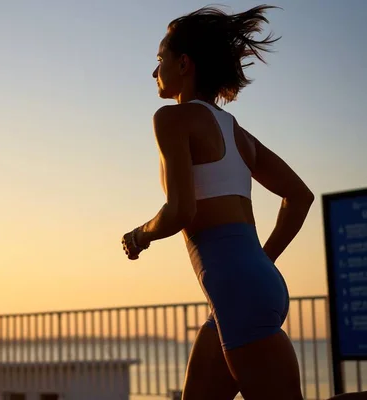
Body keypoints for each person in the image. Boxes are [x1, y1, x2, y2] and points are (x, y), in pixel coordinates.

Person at [121, 4, 315, 400]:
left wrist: (139, 236)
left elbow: (180, 211)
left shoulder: (172, 119)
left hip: (239, 291)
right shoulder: (239, 134)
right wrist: (263, 261)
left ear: (184, 64)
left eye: (160, 60)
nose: (154, 72)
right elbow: (299, 196)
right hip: (248, 288)